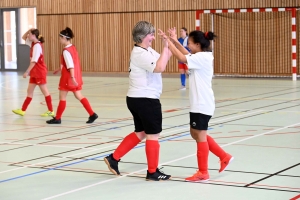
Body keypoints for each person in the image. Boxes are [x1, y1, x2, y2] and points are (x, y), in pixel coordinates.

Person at [159, 27, 233, 182]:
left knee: (200, 136)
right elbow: (185, 53)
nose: (188, 46)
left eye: (190, 43)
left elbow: (182, 57)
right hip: (198, 103)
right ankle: (224, 156)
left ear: (198, 45)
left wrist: (167, 42)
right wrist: (173, 40)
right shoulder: (200, 55)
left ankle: (203, 172)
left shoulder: (203, 58)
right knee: (196, 133)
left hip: (202, 103)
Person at [104, 21, 172, 181]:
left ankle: (114, 158)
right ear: (142, 36)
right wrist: (165, 47)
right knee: (153, 134)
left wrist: (168, 44)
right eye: (151, 35)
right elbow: (160, 68)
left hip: (137, 98)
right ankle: (152, 172)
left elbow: (165, 58)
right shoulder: (140, 54)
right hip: (145, 99)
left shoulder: (146, 50)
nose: (153, 38)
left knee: (141, 132)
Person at [46, 27, 98, 124]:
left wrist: (72, 78)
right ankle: (92, 114)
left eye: (60, 38)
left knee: (62, 97)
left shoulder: (66, 51)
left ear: (65, 38)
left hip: (68, 77)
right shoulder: (72, 47)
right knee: (79, 95)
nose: (59, 40)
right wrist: (59, 69)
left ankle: (57, 118)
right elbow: (70, 62)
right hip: (75, 75)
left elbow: (70, 65)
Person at [12, 29, 54, 117]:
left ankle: (51, 110)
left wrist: (27, 72)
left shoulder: (37, 46)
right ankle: (22, 110)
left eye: (30, 34)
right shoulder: (32, 43)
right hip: (35, 72)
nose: (28, 36)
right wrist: (29, 30)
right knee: (29, 91)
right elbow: (23, 37)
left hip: (39, 72)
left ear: (34, 35)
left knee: (45, 91)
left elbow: (34, 61)